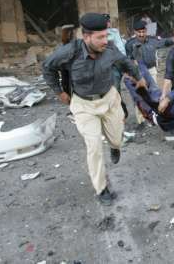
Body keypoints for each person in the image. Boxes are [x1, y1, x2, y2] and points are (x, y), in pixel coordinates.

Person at [42, 12, 146, 205]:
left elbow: (124, 63)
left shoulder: (111, 48)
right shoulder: (69, 52)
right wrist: (59, 92)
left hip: (109, 98)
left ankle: (115, 147)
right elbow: (47, 67)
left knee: (117, 138)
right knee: (94, 147)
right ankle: (101, 189)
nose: (105, 40)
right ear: (86, 36)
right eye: (100, 37)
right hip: (83, 105)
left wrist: (138, 78)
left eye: (106, 35)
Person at [124, 63, 174, 141]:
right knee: (139, 83)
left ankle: (132, 72)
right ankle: (133, 70)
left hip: (156, 104)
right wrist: (166, 97)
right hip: (158, 102)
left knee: (137, 87)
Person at [125, 20, 174, 129]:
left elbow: (165, 42)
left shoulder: (153, 40)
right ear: (135, 32)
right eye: (139, 32)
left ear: (146, 31)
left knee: (153, 95)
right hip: (138, 72)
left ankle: (152, 116)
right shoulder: (129, 44)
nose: (141, 34)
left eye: (143, 31)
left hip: (152, 70)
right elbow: (129, 61)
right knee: (139, 96)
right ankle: (141, 121)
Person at [103, 14, 129, 119]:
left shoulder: (115, 32)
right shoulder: (101, 35)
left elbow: (121, 48)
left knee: (115, 90)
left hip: (118, 66)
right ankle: (118, 112)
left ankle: (121, 112)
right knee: (110, 91)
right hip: (107, 67)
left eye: (108, 21)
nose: (107, 23)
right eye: (105, 22)